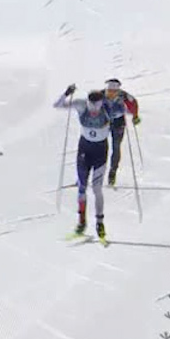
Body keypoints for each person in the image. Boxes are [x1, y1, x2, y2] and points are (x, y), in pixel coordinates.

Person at [54, 85, 110, 237]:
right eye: (92, 105)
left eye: (97, 106)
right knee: (82, 186)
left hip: (100, 151)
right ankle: (81, 222)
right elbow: (58, 105)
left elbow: (127, 110)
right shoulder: (81, 105)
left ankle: (99, 223)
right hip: (85, 150)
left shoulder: (107, 108)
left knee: (97, 188)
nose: (94, 110)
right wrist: (66, 93)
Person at [103, 77, 141, 186]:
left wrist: (135, 115)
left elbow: (133, 103)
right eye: (109, 91)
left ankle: (112, 171)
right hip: (104, 121)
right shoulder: (101, 94)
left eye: (114, 91)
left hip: (118, 122)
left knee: (116, 146)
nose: (111, 94)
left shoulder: (123, 95)